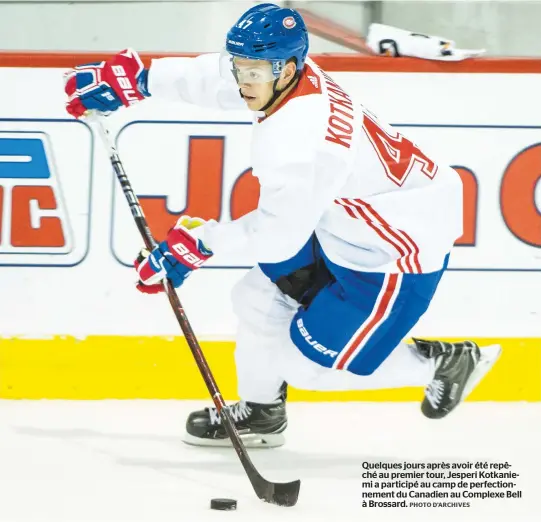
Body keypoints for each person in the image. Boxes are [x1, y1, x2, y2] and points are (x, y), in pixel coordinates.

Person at [64, 3, 501, 448]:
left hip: (396, 252)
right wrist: (139, 79)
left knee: (305, 367)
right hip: (346, 219)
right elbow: (220, 76)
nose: (243, 80)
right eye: (242, 67)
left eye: (255, 72)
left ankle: (445, 363)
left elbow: (278, 236)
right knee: (256, 299)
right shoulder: (285, 75)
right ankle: (260, 414)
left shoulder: (298, 139)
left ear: (288, 67)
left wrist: (196, 245)